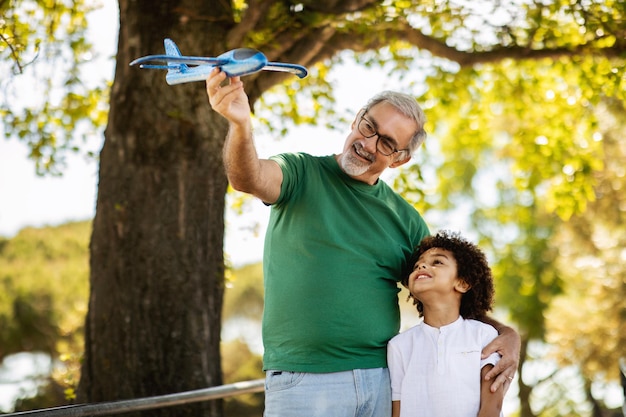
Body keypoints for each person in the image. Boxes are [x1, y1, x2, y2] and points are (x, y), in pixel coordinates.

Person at [206, 68, 520, 417]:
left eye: (386, 143)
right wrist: (240, 125)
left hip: (383, 381)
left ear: (400, 159)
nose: (368, 143)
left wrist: (507, 333)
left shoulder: (406, 220)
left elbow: (448, 292)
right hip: (305, 380)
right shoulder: (300, 173)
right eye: (369, 127)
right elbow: (247, 177)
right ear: (358, 118)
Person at [388, 230, 506, 417]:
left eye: (437, 262)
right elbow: (397, 409)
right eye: (417, 265)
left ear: (463, 283)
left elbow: (492, 405)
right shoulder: (399, 346)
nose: (421, 266)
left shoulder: (483, 335)